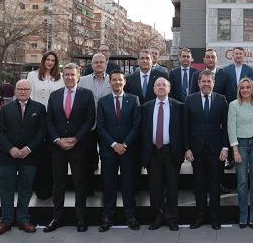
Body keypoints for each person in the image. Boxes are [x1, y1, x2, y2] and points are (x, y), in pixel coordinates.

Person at [44, 63, 96, 233]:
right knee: (58, 184)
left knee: (79, 183)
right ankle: (56, 218)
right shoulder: (54, 95)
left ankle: (80, 218)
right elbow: (49, 120)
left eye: (72, 75)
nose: (69, 77)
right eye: (66, 74)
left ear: (78, 76)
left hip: (79, 147)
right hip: (58, 147)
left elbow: (90, 120)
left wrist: (76, 138)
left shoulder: (87, 95)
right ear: (62, 76)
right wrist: (57, 140)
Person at [0, 79, 46, 236]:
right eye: (20, 89)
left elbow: (42, 132)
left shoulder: (40, 108)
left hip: (30, 156)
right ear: (15, 90)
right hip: (8, 157)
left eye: (26, 89)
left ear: (30, 91)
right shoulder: (5, 109)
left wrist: (28, 149)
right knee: (6, 189)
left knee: (26, 189)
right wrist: (10, 149)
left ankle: (23, 219)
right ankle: (6, 221)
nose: (23, 91)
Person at [183, 70, 229, 229]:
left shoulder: (221, 100)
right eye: (203, 81)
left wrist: (225, 147)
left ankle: (215, 218)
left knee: (216, 185)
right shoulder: (190, 100)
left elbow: (226, 127)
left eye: (209, 81)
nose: (206, 84)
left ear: (213, 83)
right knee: (199, 184)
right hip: (196, 150)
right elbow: (185, 127)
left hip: (216, 150)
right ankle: (200, 216)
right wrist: (187, 148)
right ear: (199, 83)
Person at [96, 69, 141, 232]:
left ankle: (131, 216)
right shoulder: (103, 101)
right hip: (109, 151)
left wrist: (125, 144)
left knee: (128, 184)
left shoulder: (134, 100)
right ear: (110, 82)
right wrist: (114, 144)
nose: (117, 82)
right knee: (109, 185)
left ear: (125, 82)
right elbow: (100, 127)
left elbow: (137, 126)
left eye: (120, 80)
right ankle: (107, 217)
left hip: (128, 151)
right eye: (114, 80)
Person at [142, 77, 185, 231]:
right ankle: (158, 216)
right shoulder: (146, 107)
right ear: (153, 89)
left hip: (171, 151)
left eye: (163, 85)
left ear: (169, 88)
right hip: (153, 152)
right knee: (155, 187)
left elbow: (183, 131)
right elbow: (143, 132)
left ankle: (172, 218)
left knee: (173, 186)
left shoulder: (179, 107)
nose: (161, 87)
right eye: (158, 85)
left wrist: (184, 150)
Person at [228, 77, 253, 228]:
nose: (245, 90)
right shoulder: (233, 105)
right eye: (242, 88)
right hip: (241, 145)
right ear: (239, 90)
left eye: (247, 87)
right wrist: (235, 150)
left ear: (252, 89)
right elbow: (231, 127)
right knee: (242, 182)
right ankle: (243, 215)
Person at [27, 51, 64, 199]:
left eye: (53, 60)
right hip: (37, 118)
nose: (50, 62)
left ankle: (51, 188)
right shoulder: (32, 76)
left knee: (52, 156)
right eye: (47, 59)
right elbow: (29, 96)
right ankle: (39, 189)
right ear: (43, 61)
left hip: (55, 120)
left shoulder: (60, 77)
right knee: (38, 155)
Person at [78, 52, 113, 196]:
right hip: (88, 126)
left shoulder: (113, 80)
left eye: (101, 62)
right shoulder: (83, 80)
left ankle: (106, 188)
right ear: (91, 65)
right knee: (88, 159)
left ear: (106, 64)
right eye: (96, 62)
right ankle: (88, 188)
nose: (99, 64)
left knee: (107, 159)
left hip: (107, 126)